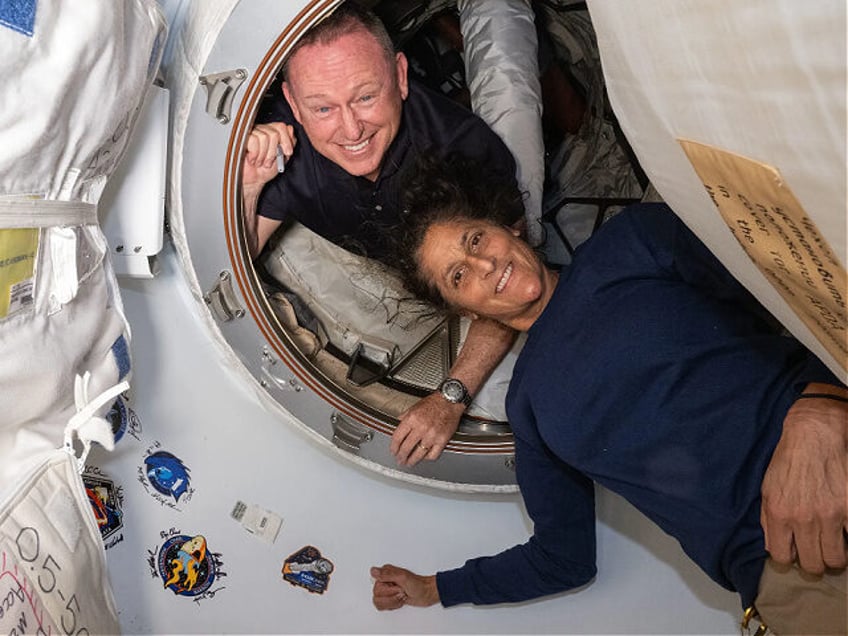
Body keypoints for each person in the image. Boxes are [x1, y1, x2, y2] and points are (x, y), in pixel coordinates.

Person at [370, 156, 848, 635]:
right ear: (465, 312)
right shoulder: (529, 408)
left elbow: (801, 292)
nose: (484, 263)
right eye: (458, 276)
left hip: (833, 456)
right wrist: (436, 588)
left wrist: (822, 406)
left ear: (509, 228)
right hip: (789, 572)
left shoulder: (631, 242)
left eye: (476, 239)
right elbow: (562, 559)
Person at [241, 2, 523, 466]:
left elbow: (513, 282)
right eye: (323, 107)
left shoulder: (464, 150)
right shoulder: (283, 146)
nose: (351, 129)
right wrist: (251, 185)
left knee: (511, 93)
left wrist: (450, 397)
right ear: (293, 104)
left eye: (366, 97)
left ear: (401, 75)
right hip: (383, 262)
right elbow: (240, 252)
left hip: (461, 266)